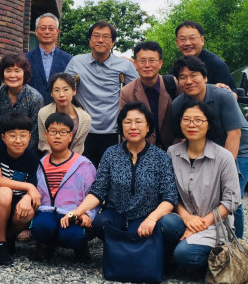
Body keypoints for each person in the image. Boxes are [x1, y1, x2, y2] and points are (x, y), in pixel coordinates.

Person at [68, 102, 184, 254]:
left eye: (139, 122)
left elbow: (169, 197)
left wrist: (152, 218)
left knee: (154, 230)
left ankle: (162, 256)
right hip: (117, 215)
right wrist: (78, 211)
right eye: (128, 122)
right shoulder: (111, 153)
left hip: (147, 216)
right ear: (121, 127)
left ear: (148, 127)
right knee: (101, 223)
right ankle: (120, 253)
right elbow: (98, 191)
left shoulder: (160, 157)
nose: (133, 127)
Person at [171, 56, 248, 238]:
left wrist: (223, 170)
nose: (188, 81)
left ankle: (235, 244)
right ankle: (204, 235)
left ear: (205, 77)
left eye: (194, 75)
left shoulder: (223, 96)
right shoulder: (178, 104)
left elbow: (234, 134)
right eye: (182, 77)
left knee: (232, 197)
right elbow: (184, 137)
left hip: (242, 150)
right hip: (209, 151)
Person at [167, 101, 241, 275]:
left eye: (198, 120)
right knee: (166, 223)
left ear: (209, 124)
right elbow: (170, 193)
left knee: (184, 254)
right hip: (184, 219)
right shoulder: (172, 153)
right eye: (186, 119)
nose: (192, 124)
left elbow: (231, 200)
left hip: (213, 224)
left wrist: (201, 224)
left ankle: (212, 259)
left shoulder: (223, 157)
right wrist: (187, 218)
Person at [65, 20, 138, 167]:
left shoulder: (124, 65)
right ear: (90, 39)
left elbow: (138, 91)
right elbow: (64, 87)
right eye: (96, 36)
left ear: (112, 42)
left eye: (105, 37)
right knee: (84, 172)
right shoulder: (76, 62)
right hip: (84, 130)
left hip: (114, 130)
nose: (100, 40)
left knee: (112, 172)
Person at [30, 113, 97, 262]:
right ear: (46, 135)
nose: (57, 136)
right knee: (41, 227)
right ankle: (47, 244)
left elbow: (93, 193)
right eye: (53, 131)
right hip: (47, 211)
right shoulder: (41, 163)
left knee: (72, 236)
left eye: (63, 132)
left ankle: (80, 246)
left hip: (73, 213)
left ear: (70, 136)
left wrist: (87, 214)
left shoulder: (83, 165)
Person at [0, 112, 41, 266]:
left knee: (29, 212)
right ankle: (0, 244)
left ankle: (8, 237)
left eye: (23, 135)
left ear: (29, 137)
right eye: (12, 135)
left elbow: (34, 190)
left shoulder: (32, 159)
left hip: (16, 205)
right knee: (5, 191)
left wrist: (27, 197)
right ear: (3, 137)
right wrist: (28, 186)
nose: (18, 140)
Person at [119, 41, 177, 150]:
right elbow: (125, 126)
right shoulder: (127, 92)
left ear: (160, 63)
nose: (147, 65)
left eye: (151, 60)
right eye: (142, 61)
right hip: (143, 151)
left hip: (173, 149)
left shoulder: (173, 84)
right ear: (135, 64)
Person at [0, 53, 43, 150]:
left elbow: (34, 134)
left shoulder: (35, 98)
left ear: (24, 73)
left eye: (17, 71)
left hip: (25, 151)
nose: (12, 75)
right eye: (8, 71)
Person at [36, 72, 91, 155]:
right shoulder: (44, 113)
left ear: (74, 91)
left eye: (66, 90)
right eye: (57, 90)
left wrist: (67, 161)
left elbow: (78, 148)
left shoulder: (85, 119)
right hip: (48, 158)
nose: (61, 95)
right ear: (51, 93)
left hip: (74, 160)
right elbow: (44, 144)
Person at [26, 13, 72, 104]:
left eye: (51, 28)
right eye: (43, 28)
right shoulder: (25, 59)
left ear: (57, 32)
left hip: (59, 109)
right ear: (36, 31)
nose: (47, 32)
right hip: (31, 109)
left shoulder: (69, 60)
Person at [175, 21, 235, 89]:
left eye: (192, 38)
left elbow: (233, 93)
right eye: (182, 39)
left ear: (202, 40)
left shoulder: (216, 64)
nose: (187, 43)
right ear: (177, 42)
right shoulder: (179, 65)